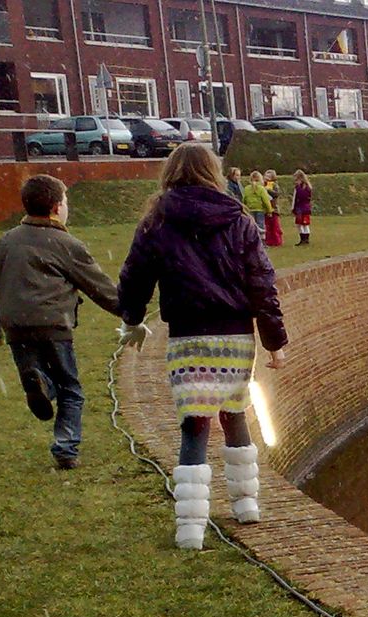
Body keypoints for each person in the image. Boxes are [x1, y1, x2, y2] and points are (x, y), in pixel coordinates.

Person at [117, 145, 288, 551]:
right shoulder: (238, 219)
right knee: (234, 414)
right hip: (234, 336)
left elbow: (135, 277)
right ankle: (246, 503)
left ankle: (190, 527)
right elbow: (261, 283)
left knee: (194, 424)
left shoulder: (157, 220)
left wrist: (132, 319)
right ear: (214, 172)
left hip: (188, 337)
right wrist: (274, 341)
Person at [0, 174, 122, 470]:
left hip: (16, 326)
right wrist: (129, 310)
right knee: (71, 388)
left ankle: (40, 382)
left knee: (38, 373)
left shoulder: (7, 241)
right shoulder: (66, 244)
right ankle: (65, 447)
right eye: (66, 201)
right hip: (53, 324)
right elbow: (98, 286)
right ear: (57, 207)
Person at [263, 169, 283, 247]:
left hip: (274, 208)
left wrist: (269, 190)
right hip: (265, 208)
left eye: (269, 176)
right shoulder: (262, 185)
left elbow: (276, 194)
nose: (267, 178)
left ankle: (277, 240)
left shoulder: (274, 185)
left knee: (275, 226)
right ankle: (268, 241)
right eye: (266, 176)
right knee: (267, 226)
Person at [292, 170, 313, 246]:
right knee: (305, 224)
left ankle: (302, 239)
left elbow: (295, 199)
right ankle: (306, 239)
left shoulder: (298, 188)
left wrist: (293, 208)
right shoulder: (308, 187)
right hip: (306, 207)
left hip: (299, 208)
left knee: (299, 224)